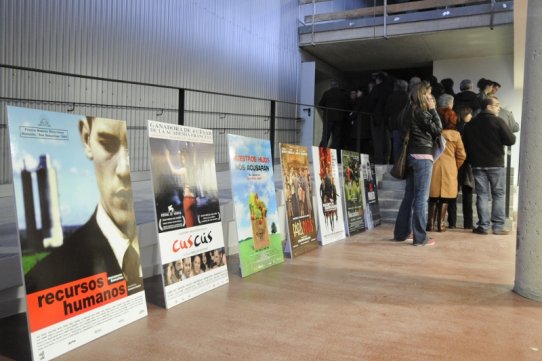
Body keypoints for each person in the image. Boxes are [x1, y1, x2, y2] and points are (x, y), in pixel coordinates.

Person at [25, 117, 143, 295]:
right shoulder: (46, 281)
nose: (125, 169)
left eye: (129, 150)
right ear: (86, 138)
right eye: (107, 143)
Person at [393, 81, 442, 246]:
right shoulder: (421, 112)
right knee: (421, 198)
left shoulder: (406, 111)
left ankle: (401, 233)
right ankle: (420, 238)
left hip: (411, 156)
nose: (430, 96)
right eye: (428, 93)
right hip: (423, 156)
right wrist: (434, 110)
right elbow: (437, 130)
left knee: (409, 197)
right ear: (422, 94)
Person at [463, 96, 516, 235]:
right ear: (488, 106)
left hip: (477, 164)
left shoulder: (471, 123)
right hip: (495, 163)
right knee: (498, 194)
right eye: (496, 105)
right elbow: (510, 140)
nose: (499, 107)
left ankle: (483, 226)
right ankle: (498, 227)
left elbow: (465, 143)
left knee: (482, 195)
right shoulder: (498, 121)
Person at [427, 95, 466, 232]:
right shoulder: (456, 135)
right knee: (445, 198)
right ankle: (441, 225)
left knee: (432, 196)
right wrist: (455, 167)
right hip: (449, 168)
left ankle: (429, 224)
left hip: (433, 165)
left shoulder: (433, 133)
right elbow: (462, 155)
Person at [319, 80, 349, 150]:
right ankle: (334, 154)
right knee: (336, 138)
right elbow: (346, 106)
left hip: (328, 117)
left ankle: (321, 153)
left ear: (331, 86)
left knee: (325, 136)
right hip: (339, 118)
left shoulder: (327, 93)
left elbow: (320, 104)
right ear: (337, 86)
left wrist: (327, 110)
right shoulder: (342, 94)